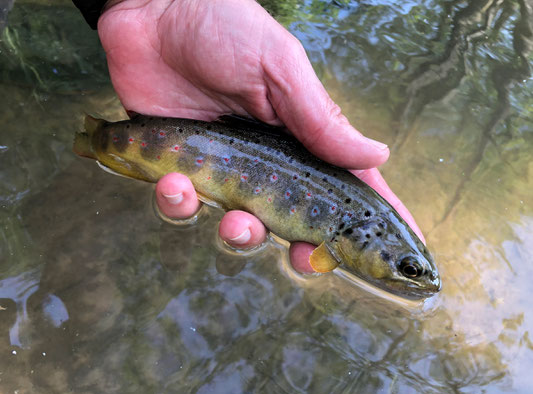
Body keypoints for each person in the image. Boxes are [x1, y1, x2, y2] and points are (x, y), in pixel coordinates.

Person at [78, 0, 425, 273]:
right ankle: (97, 141)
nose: (407, 275)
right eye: (406, 269)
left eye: (409, 268)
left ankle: (97, 141)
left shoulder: (364, 218)